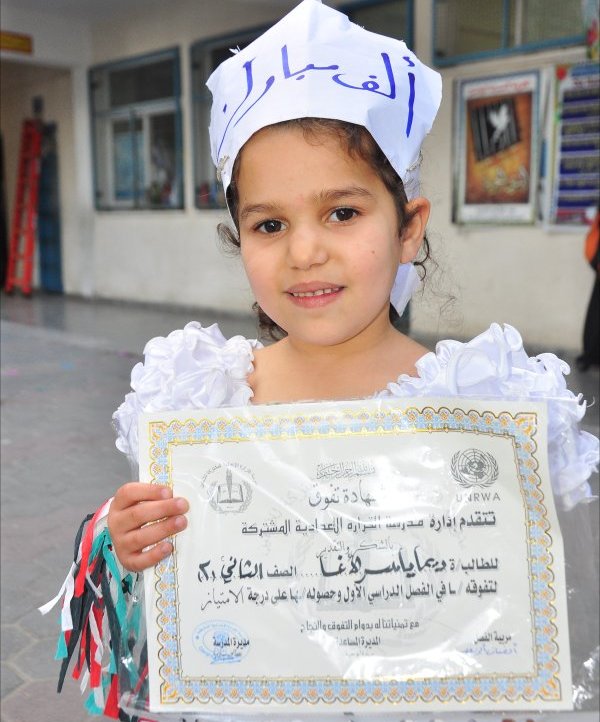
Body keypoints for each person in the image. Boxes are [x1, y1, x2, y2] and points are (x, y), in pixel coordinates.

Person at [43, 1, 598, 718]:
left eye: (343, 212)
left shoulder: (486, 408)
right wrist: (129, 545)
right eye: (270, 223)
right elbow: (171, 602)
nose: (304, 251)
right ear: (238, 239)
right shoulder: (200, 403)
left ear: (408, 226)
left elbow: (530, 610)